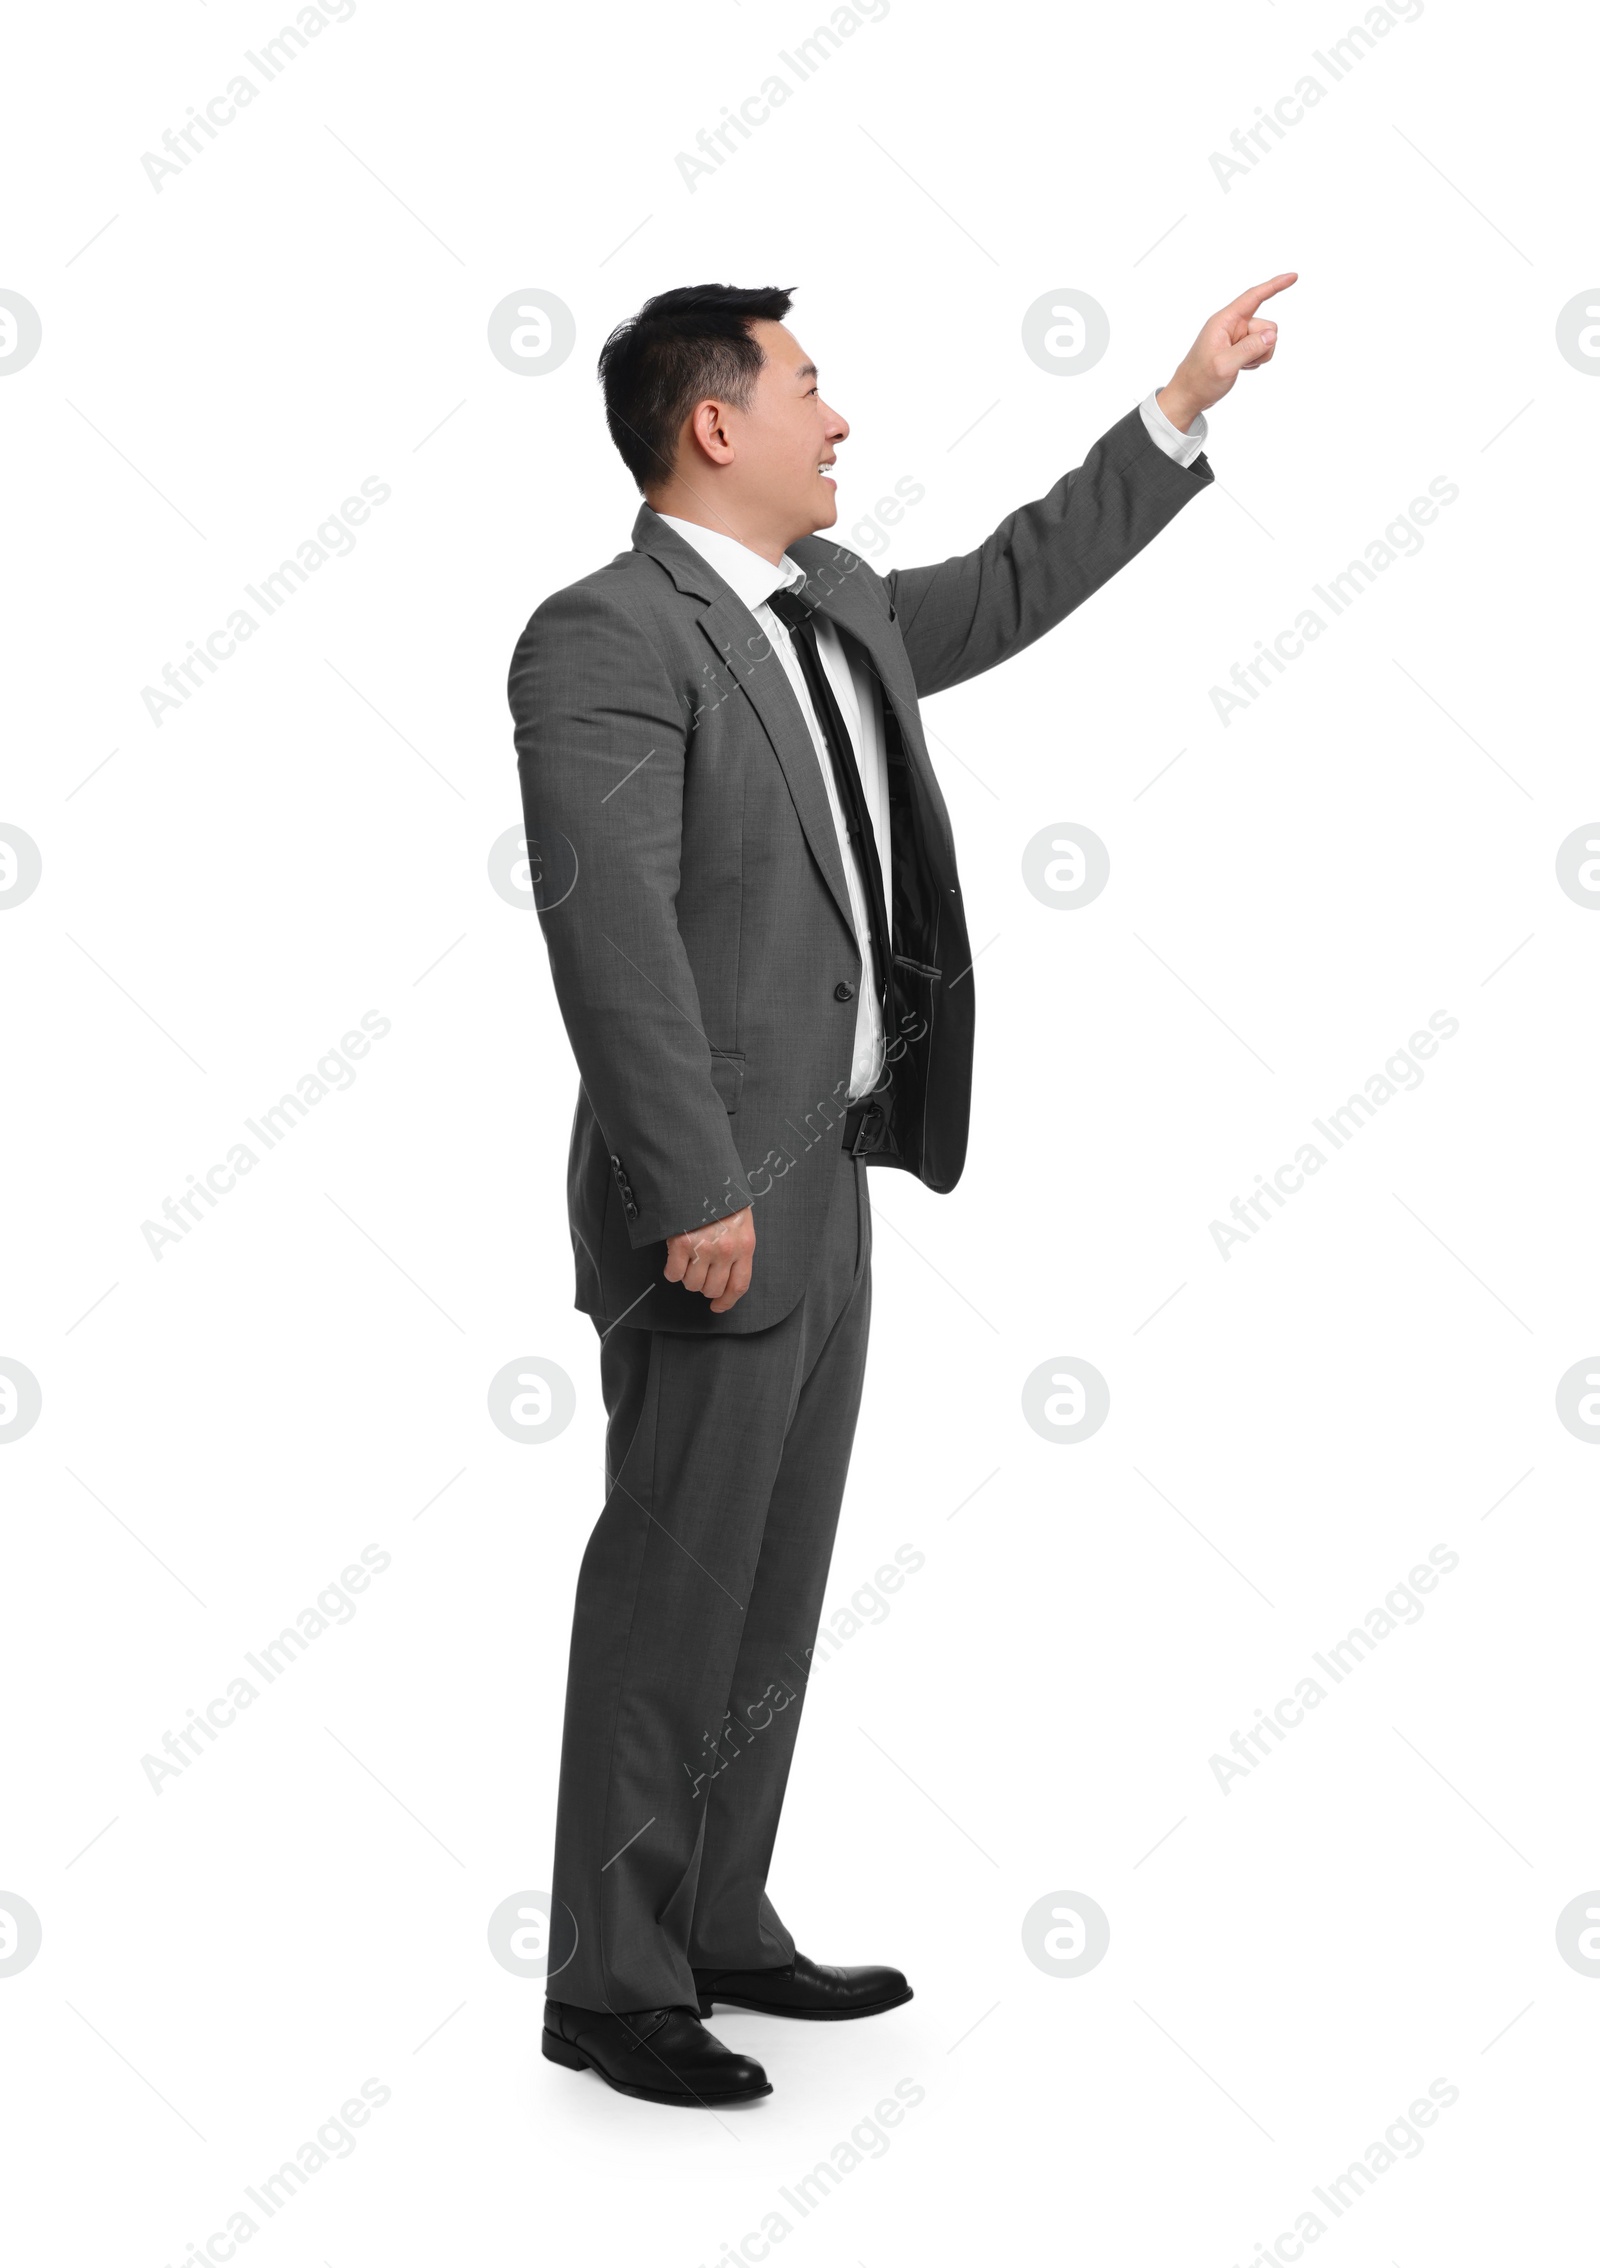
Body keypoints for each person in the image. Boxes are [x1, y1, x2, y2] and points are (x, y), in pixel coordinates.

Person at [508, 272, 1296, 2107]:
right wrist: (695, 1185)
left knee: (774, 1586)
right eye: (806, 385)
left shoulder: (836, 605)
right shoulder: (600, 635)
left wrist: (1178, 405)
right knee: (670, 1588)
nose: (838, 416)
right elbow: (609, 937)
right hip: (706, 1195)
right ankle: (607, 1983)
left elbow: (1011, 587)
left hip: (833, 1179)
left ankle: (713, 1918)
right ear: (717, 424)